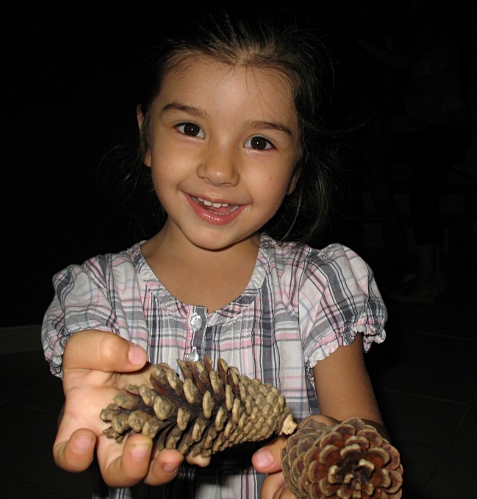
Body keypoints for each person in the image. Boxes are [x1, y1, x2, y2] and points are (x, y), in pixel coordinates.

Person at [42, 7, 389, 498]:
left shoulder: (316, 285)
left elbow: (362, 438)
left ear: (295, 171)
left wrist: (333, 476)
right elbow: (93, 406)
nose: (220, 170)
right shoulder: (97, 291)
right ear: (146, 135)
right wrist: (97, 414)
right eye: (190, 128)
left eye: (259, 141)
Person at [358, 0, 473, 304]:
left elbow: (406, 64)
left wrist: (361, 43)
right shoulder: (426, 27)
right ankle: (432, 277)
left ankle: (428, 280)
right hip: (433, 126)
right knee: (425, 200)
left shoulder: (436, 24)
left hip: (443, 126)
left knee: (423, 199)